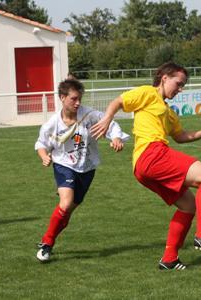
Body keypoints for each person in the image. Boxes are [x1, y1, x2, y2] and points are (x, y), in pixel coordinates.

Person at [90, 62, 201, 270]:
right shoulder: (148, 93)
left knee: (189, 206)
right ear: (164, 78)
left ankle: (170, 259)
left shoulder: (168, 111)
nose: (180, 89)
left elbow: (181, 137)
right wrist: (106, 119)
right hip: (152, 153)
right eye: (179, 83)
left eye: (183, 86)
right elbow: (119, 101)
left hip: (143, 168)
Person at [35, 78, 129, 262]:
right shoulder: (52, 124)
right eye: (73, 99)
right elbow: (41, 143)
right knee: (65, 203)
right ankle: (47, 244)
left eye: (79, 99)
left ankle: (48, 239)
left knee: (68, 210)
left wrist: (116, 138)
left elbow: (110, 124)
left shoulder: (89, 115)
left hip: (87, 168)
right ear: (62, 98)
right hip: (63, 165)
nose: (78, 103)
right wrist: (44, 156)